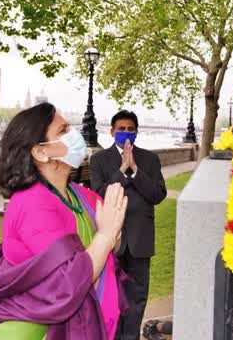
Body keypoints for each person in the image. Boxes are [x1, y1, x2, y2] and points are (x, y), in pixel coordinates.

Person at [0, 103, 128, 340]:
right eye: (62, 131)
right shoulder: (31, 204)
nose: (74, 136)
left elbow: (113, 246)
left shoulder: (80, 195)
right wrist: (106, 235)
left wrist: (113, 235)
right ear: (40, 152)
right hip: (26, 331)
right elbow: (66, 285)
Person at [89, 110, 167, 340]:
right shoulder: (100, 160)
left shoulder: (150, 159)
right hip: (111, 241)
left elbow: (157, 194)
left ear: (136, 132)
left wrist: (135, 170)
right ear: (112, 131)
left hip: (140, 240)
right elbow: (99, 195)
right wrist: (122, 171)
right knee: (110, 297)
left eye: (130, 129)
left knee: (137, 298)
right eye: (121, 129)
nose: (126, 133)